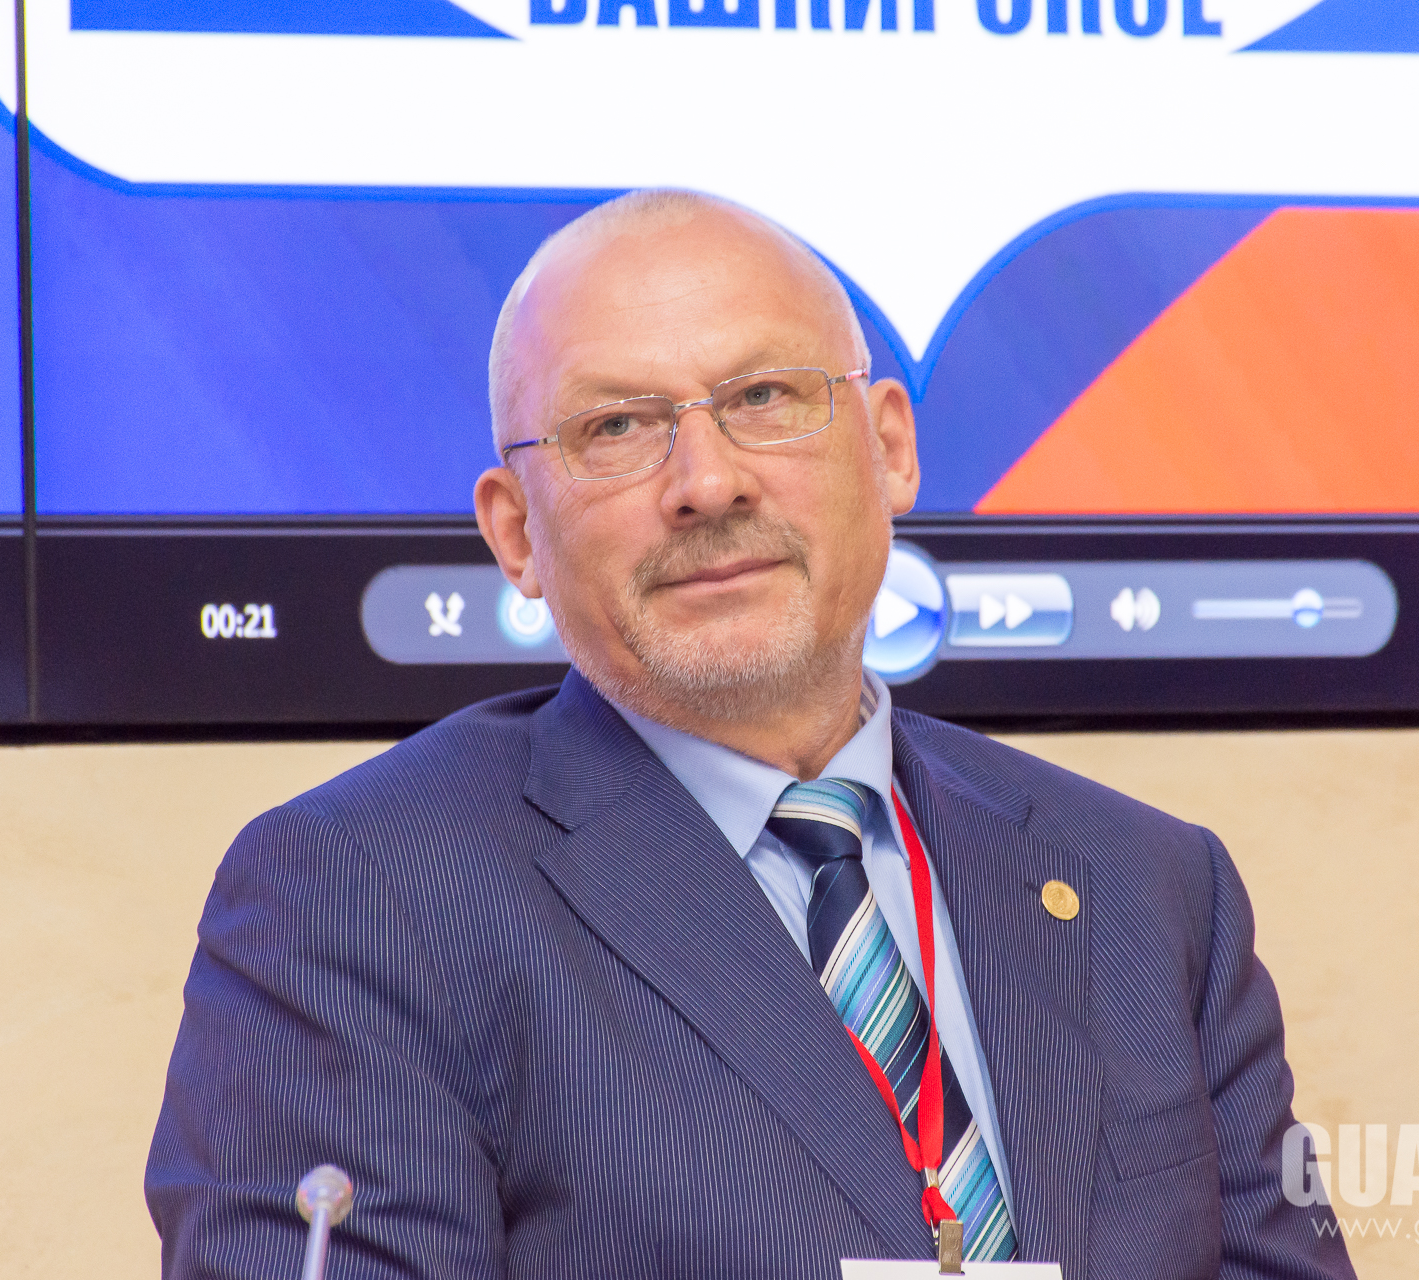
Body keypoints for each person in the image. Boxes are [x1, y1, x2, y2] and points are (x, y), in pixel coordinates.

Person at [146, 190, 1354, 1280]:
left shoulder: (1150, 886)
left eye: (764, 398)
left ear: (890, 447)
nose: (707, 481)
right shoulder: (360, 896)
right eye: (616, 427)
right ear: (515, 533)